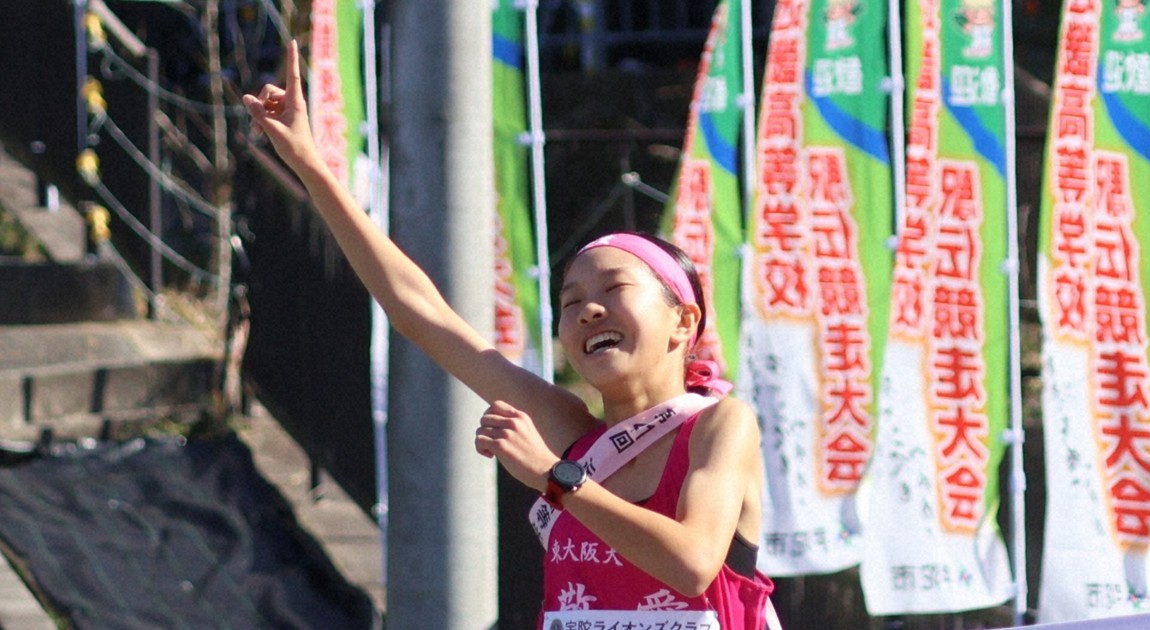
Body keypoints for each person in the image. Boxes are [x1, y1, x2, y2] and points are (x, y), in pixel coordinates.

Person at [243, 40, 774, 628]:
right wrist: (311, 166)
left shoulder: (720, 426)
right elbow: (420, 312)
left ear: (684, 321)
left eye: (614, 290)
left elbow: (694, 563)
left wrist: (556, 477)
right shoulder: (572, 431)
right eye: (572, 302)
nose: (589, 311)